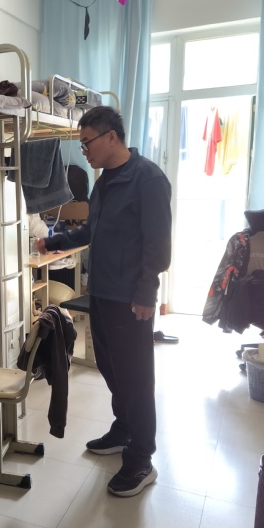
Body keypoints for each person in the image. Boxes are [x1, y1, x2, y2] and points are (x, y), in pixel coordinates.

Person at [37, 106, 172, 497]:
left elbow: (158, 245)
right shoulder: (104, 182)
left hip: (130, 299)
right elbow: (92, 231)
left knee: (136, 379)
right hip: (102, 293)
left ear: (111, 136)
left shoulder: (147, 179)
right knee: (111, 369)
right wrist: (54, 242)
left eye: (87, 142)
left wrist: (146, 293)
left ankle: (141, 458)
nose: (84, 151)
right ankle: (123, 428)